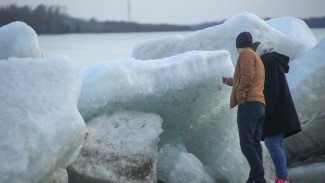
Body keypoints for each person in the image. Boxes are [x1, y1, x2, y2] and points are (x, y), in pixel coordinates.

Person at [251, 42, 302, 183]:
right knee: (274, 143)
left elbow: (271, 89)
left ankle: (282, 179)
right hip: (279, 112)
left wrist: (265, 110)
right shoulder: (269, 61)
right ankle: (282, 178)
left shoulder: (268, 62)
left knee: (272, 143)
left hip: (276, 113)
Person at [222, 32, 266, 183]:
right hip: (259, 105)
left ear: (237, 46)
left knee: (246, 145)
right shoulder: (256, 57)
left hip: (249, 104)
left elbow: (247, 77)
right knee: (254, 143)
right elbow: (247, 78)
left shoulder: (245, 54)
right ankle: (254, 179)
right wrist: (229, 81)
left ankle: (259, 178)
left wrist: (240, 98)